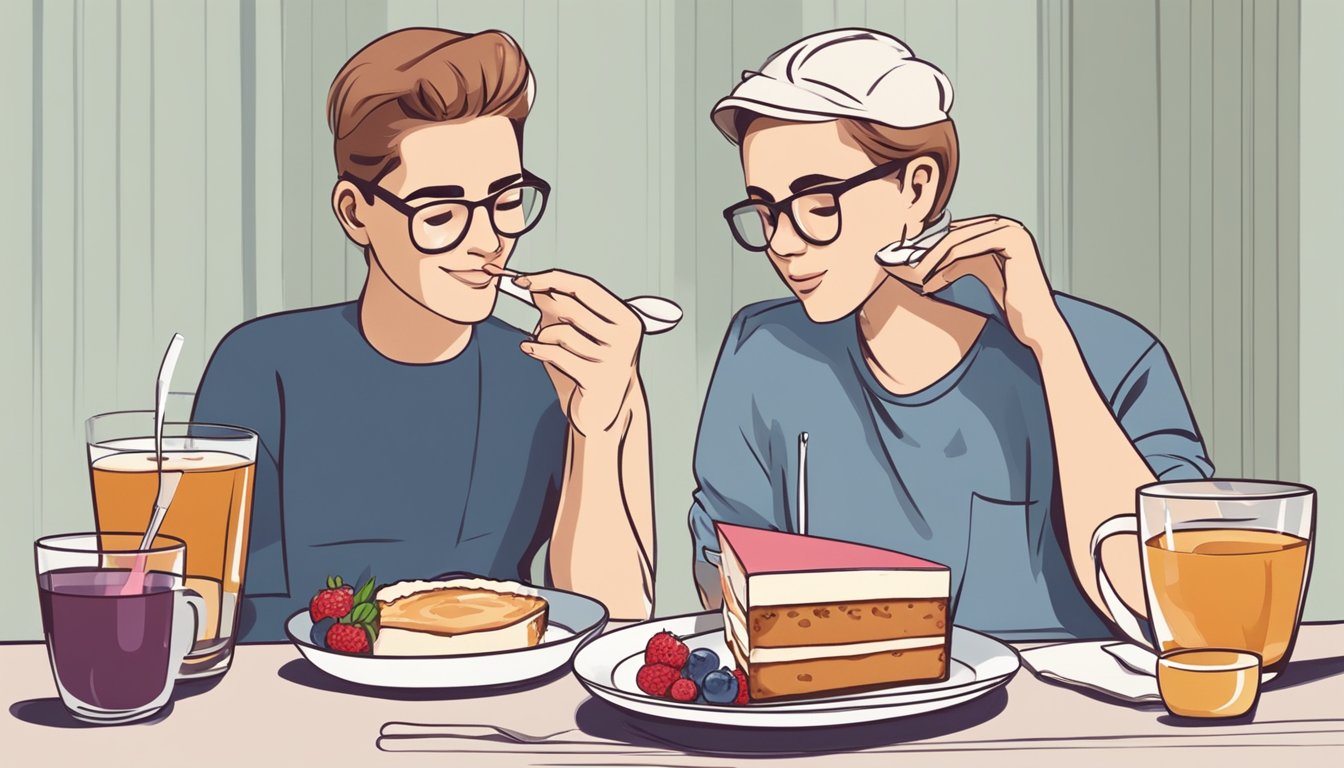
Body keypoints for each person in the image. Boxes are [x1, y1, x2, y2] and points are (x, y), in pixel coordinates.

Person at [688, 29, 1212, 640]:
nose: (782, 243)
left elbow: (1174, 604)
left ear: (918, 188)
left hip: (1061, 727)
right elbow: (722, 578)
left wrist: (1048, 341)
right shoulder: (764, 352)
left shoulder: (1115, 358)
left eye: (820, 205)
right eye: (766, 209)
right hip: (840, 714)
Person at [195, 28, 654, 642]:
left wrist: (598, 431)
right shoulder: (260, 368)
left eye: (506, 200)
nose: (488, 240)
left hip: (496, 713)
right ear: (356, 213)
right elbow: (209, 608)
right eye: (440, 213)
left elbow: (609, 627)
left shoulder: (560, 372)